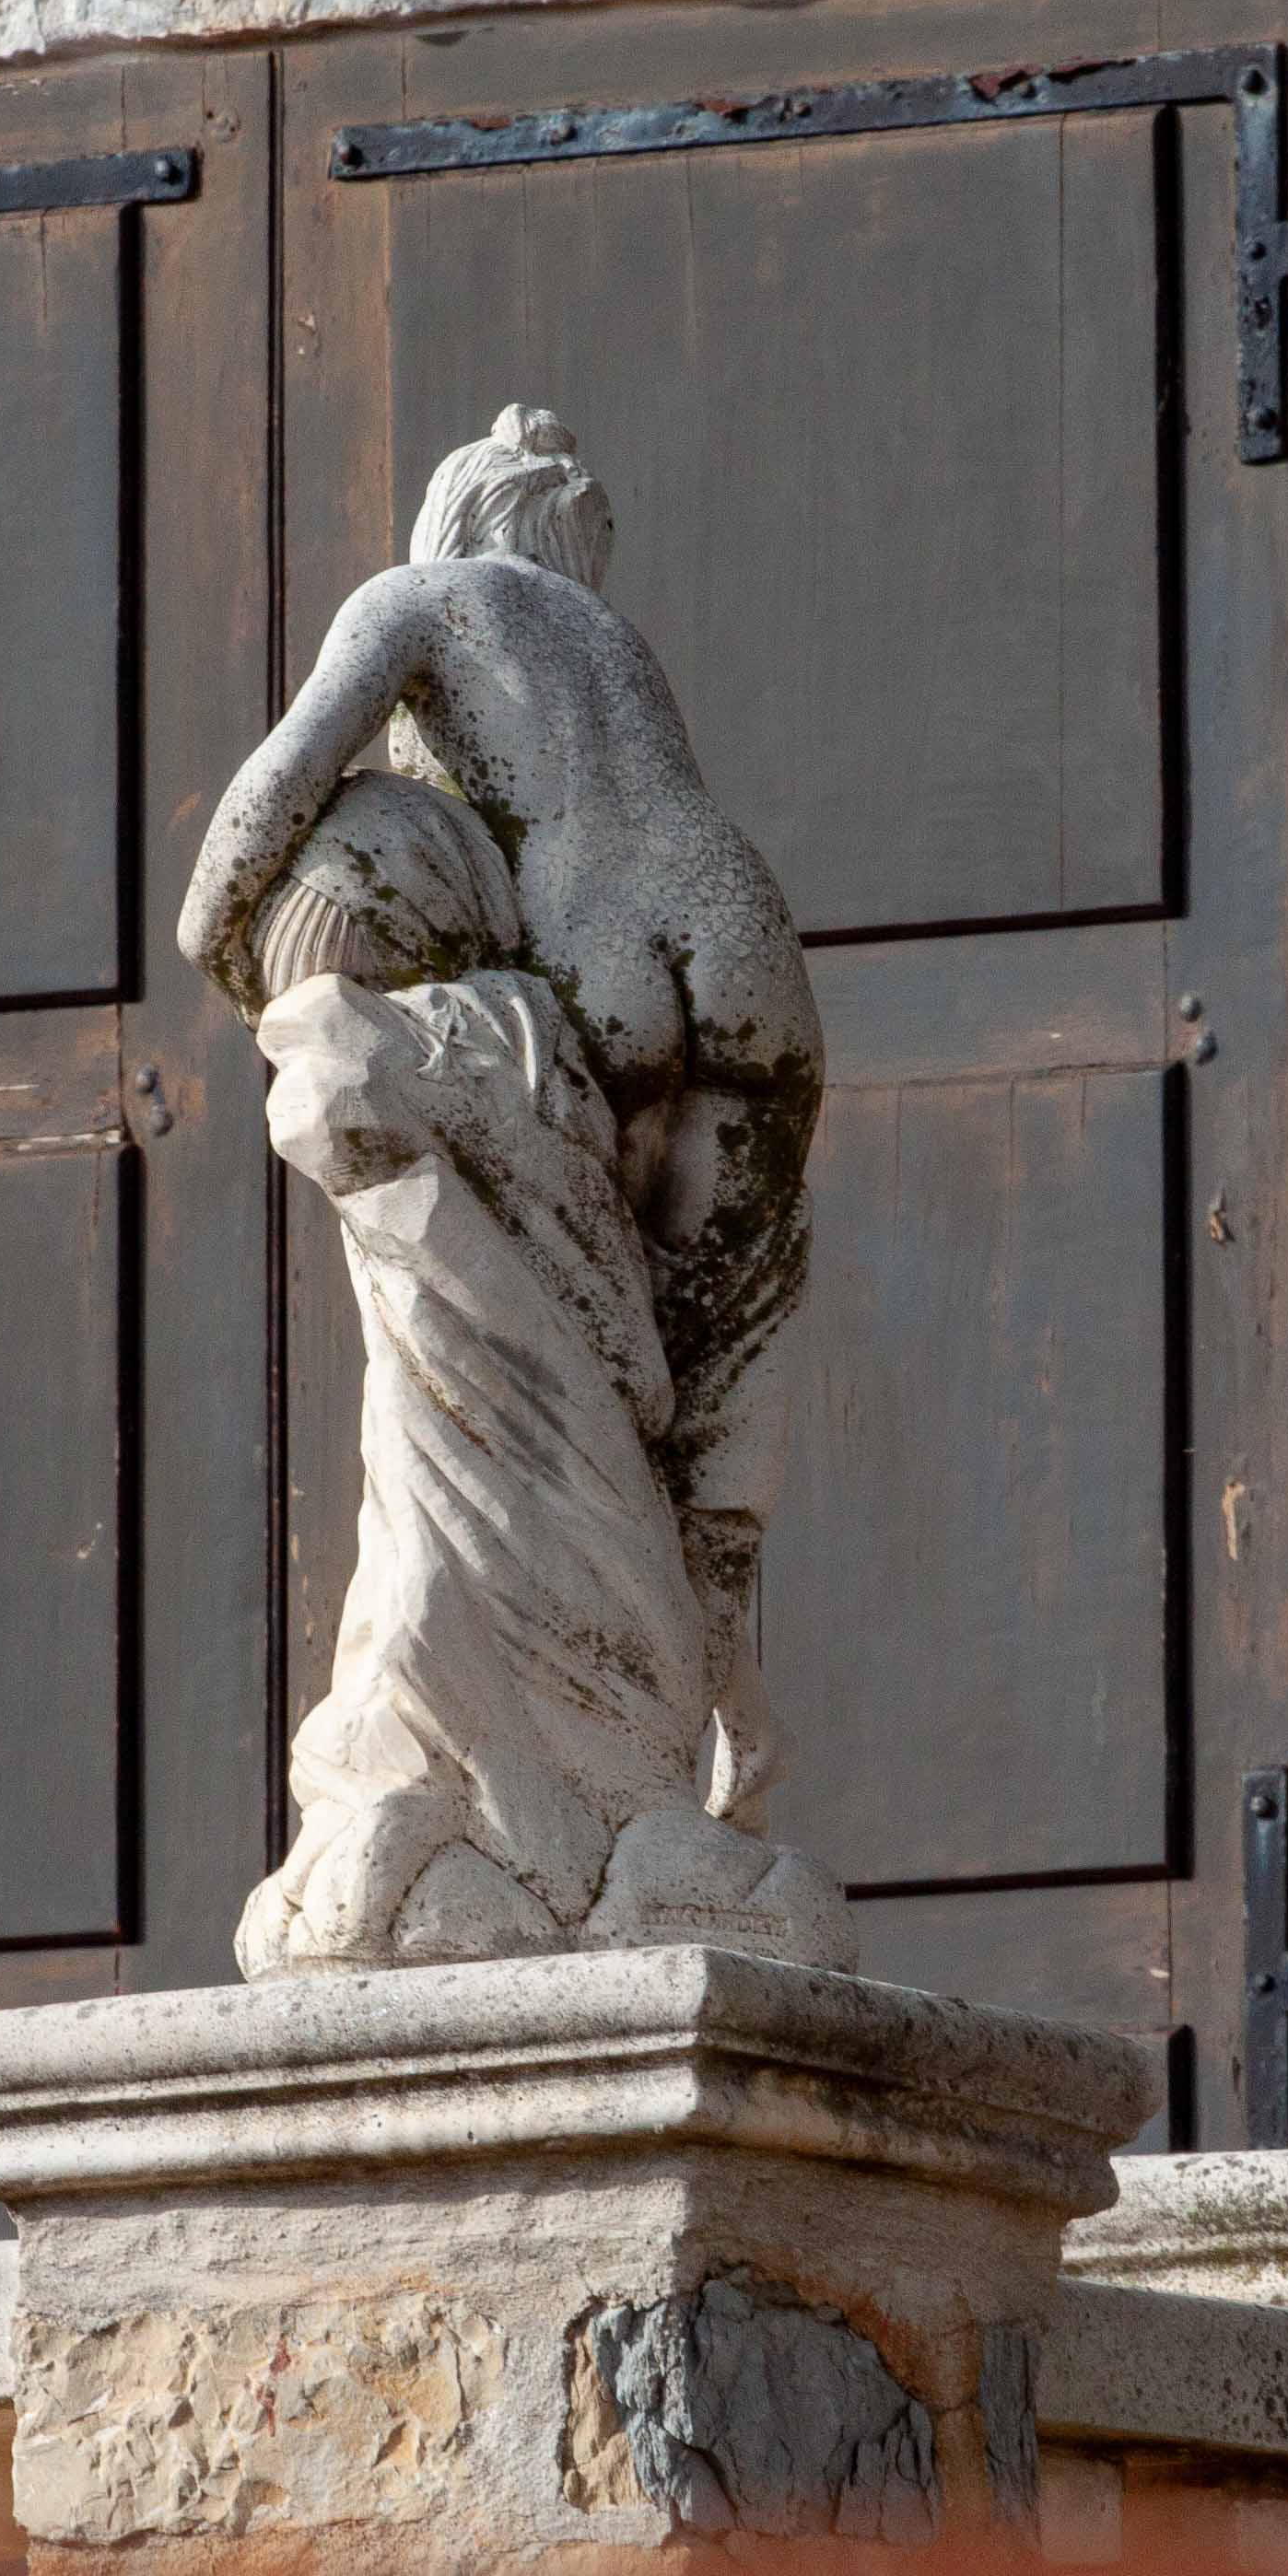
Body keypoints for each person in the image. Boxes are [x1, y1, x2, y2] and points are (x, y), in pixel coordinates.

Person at [179, 407, 825, 1837]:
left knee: (603, 1367)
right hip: (741, 945)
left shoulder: (423, 601)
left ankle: (602, 1778)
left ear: (454, 531)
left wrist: (226, 949)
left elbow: (273, 792)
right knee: (706, 1401)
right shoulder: (616, 654)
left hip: (595, 968)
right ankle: (694, 1767)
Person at [226, 772, 847, 1977]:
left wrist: (279, 992)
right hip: (510, 1413)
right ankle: (543, 1846)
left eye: (338, 938)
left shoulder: (464, 1034)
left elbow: (326, 1083)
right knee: (433, 1635)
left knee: (429, 1624)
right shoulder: (518, 1039)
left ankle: (541, 1850)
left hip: (518, 1419)